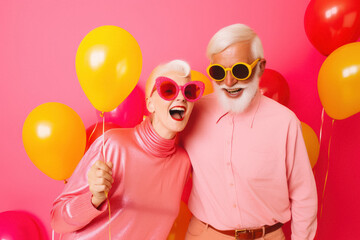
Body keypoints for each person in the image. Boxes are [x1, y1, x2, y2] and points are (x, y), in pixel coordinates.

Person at [181, 24, 318, 240]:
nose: (229, 82)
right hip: (205, 234)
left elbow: (304, 195)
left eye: (240, 70)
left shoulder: (284, 122)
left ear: (260, 67)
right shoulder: (192, 113)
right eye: (218, 72)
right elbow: (157, 154)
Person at [51, 59, 205, 239]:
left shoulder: (183, 163)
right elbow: (57, 219)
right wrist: (94, 199)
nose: (181, 98)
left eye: (188, 92)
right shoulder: (113, 144)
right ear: (150, 104)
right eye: (168, 90)